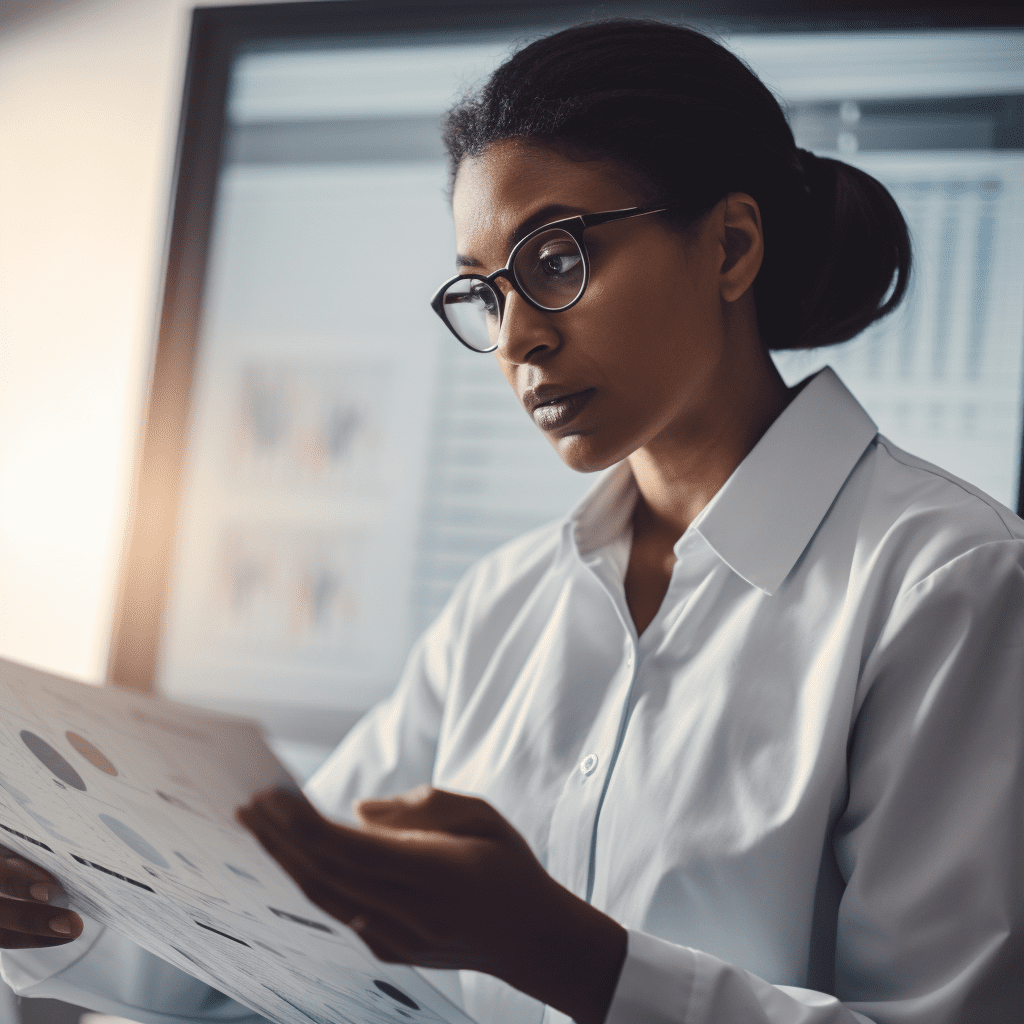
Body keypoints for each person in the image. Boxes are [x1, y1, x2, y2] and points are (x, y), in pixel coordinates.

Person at [3, 18, 1023, 1024]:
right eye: (488, 292)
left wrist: (557, 950)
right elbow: (282, 917)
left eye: (555, 259)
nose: (519, 339)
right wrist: (48, 902)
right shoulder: (508, 602)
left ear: (729, 245)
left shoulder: (949, 585)